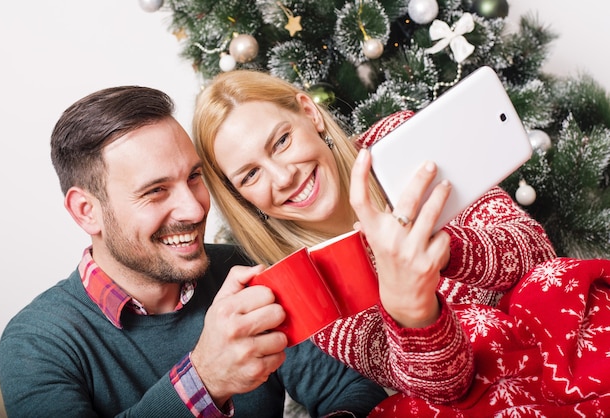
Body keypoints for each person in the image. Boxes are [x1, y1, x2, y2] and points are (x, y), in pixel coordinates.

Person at [0, 86, 389, 418]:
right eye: (156, 191)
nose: (195, 208)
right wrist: (205, 378)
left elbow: (346, 388)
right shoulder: (36, 343)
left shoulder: (237, 268)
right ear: (87, 211)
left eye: (194, 177)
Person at [190, 70, 557, 402]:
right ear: (242, 196)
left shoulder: (399, 145)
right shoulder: (313, 289)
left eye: (281, 141)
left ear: (310, 113)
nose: (283, 177)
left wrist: (445, 249)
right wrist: (410, 310)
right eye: (251, 175)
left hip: (556, 337)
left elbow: (540, 256)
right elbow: (446, 387)